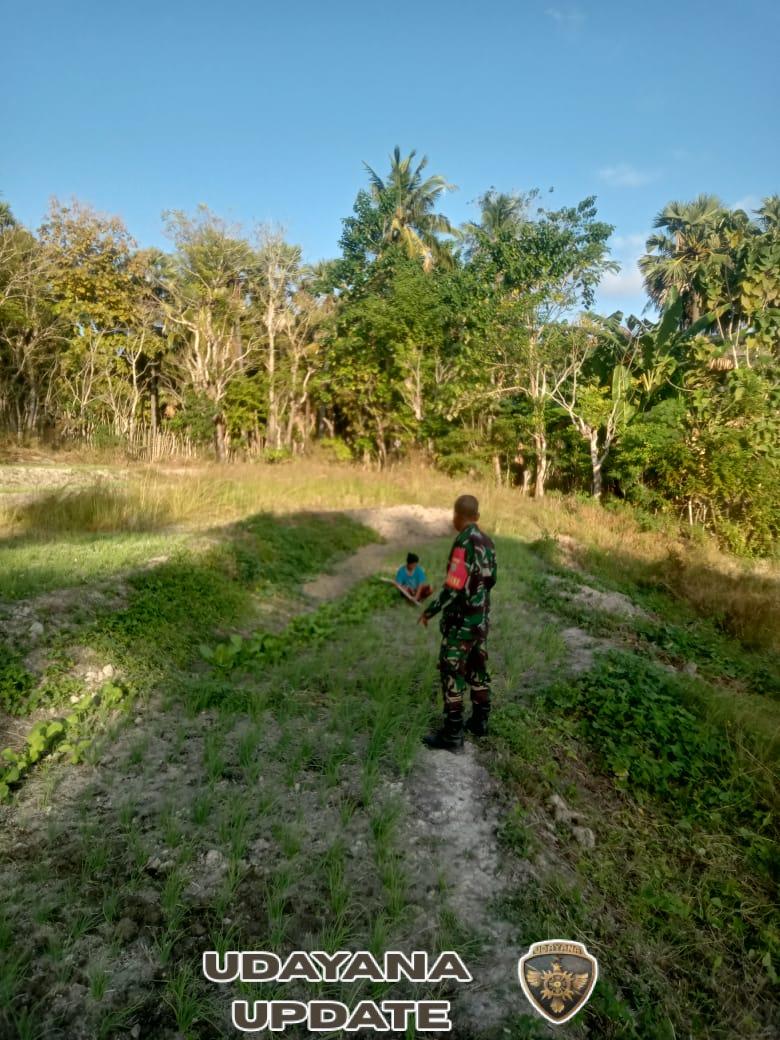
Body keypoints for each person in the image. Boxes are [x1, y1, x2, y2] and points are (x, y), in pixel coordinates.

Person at [418, 494, 497, 749]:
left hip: (461, 624)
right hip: (480, 621)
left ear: (456, 516)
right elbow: (491, 580)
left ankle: (452, 735)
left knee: (452, 672)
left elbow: (453, 588)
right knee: (478, 669)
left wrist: (431, 610)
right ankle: (479, 722)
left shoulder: (463, 542)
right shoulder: (488, 541)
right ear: (477, 516)